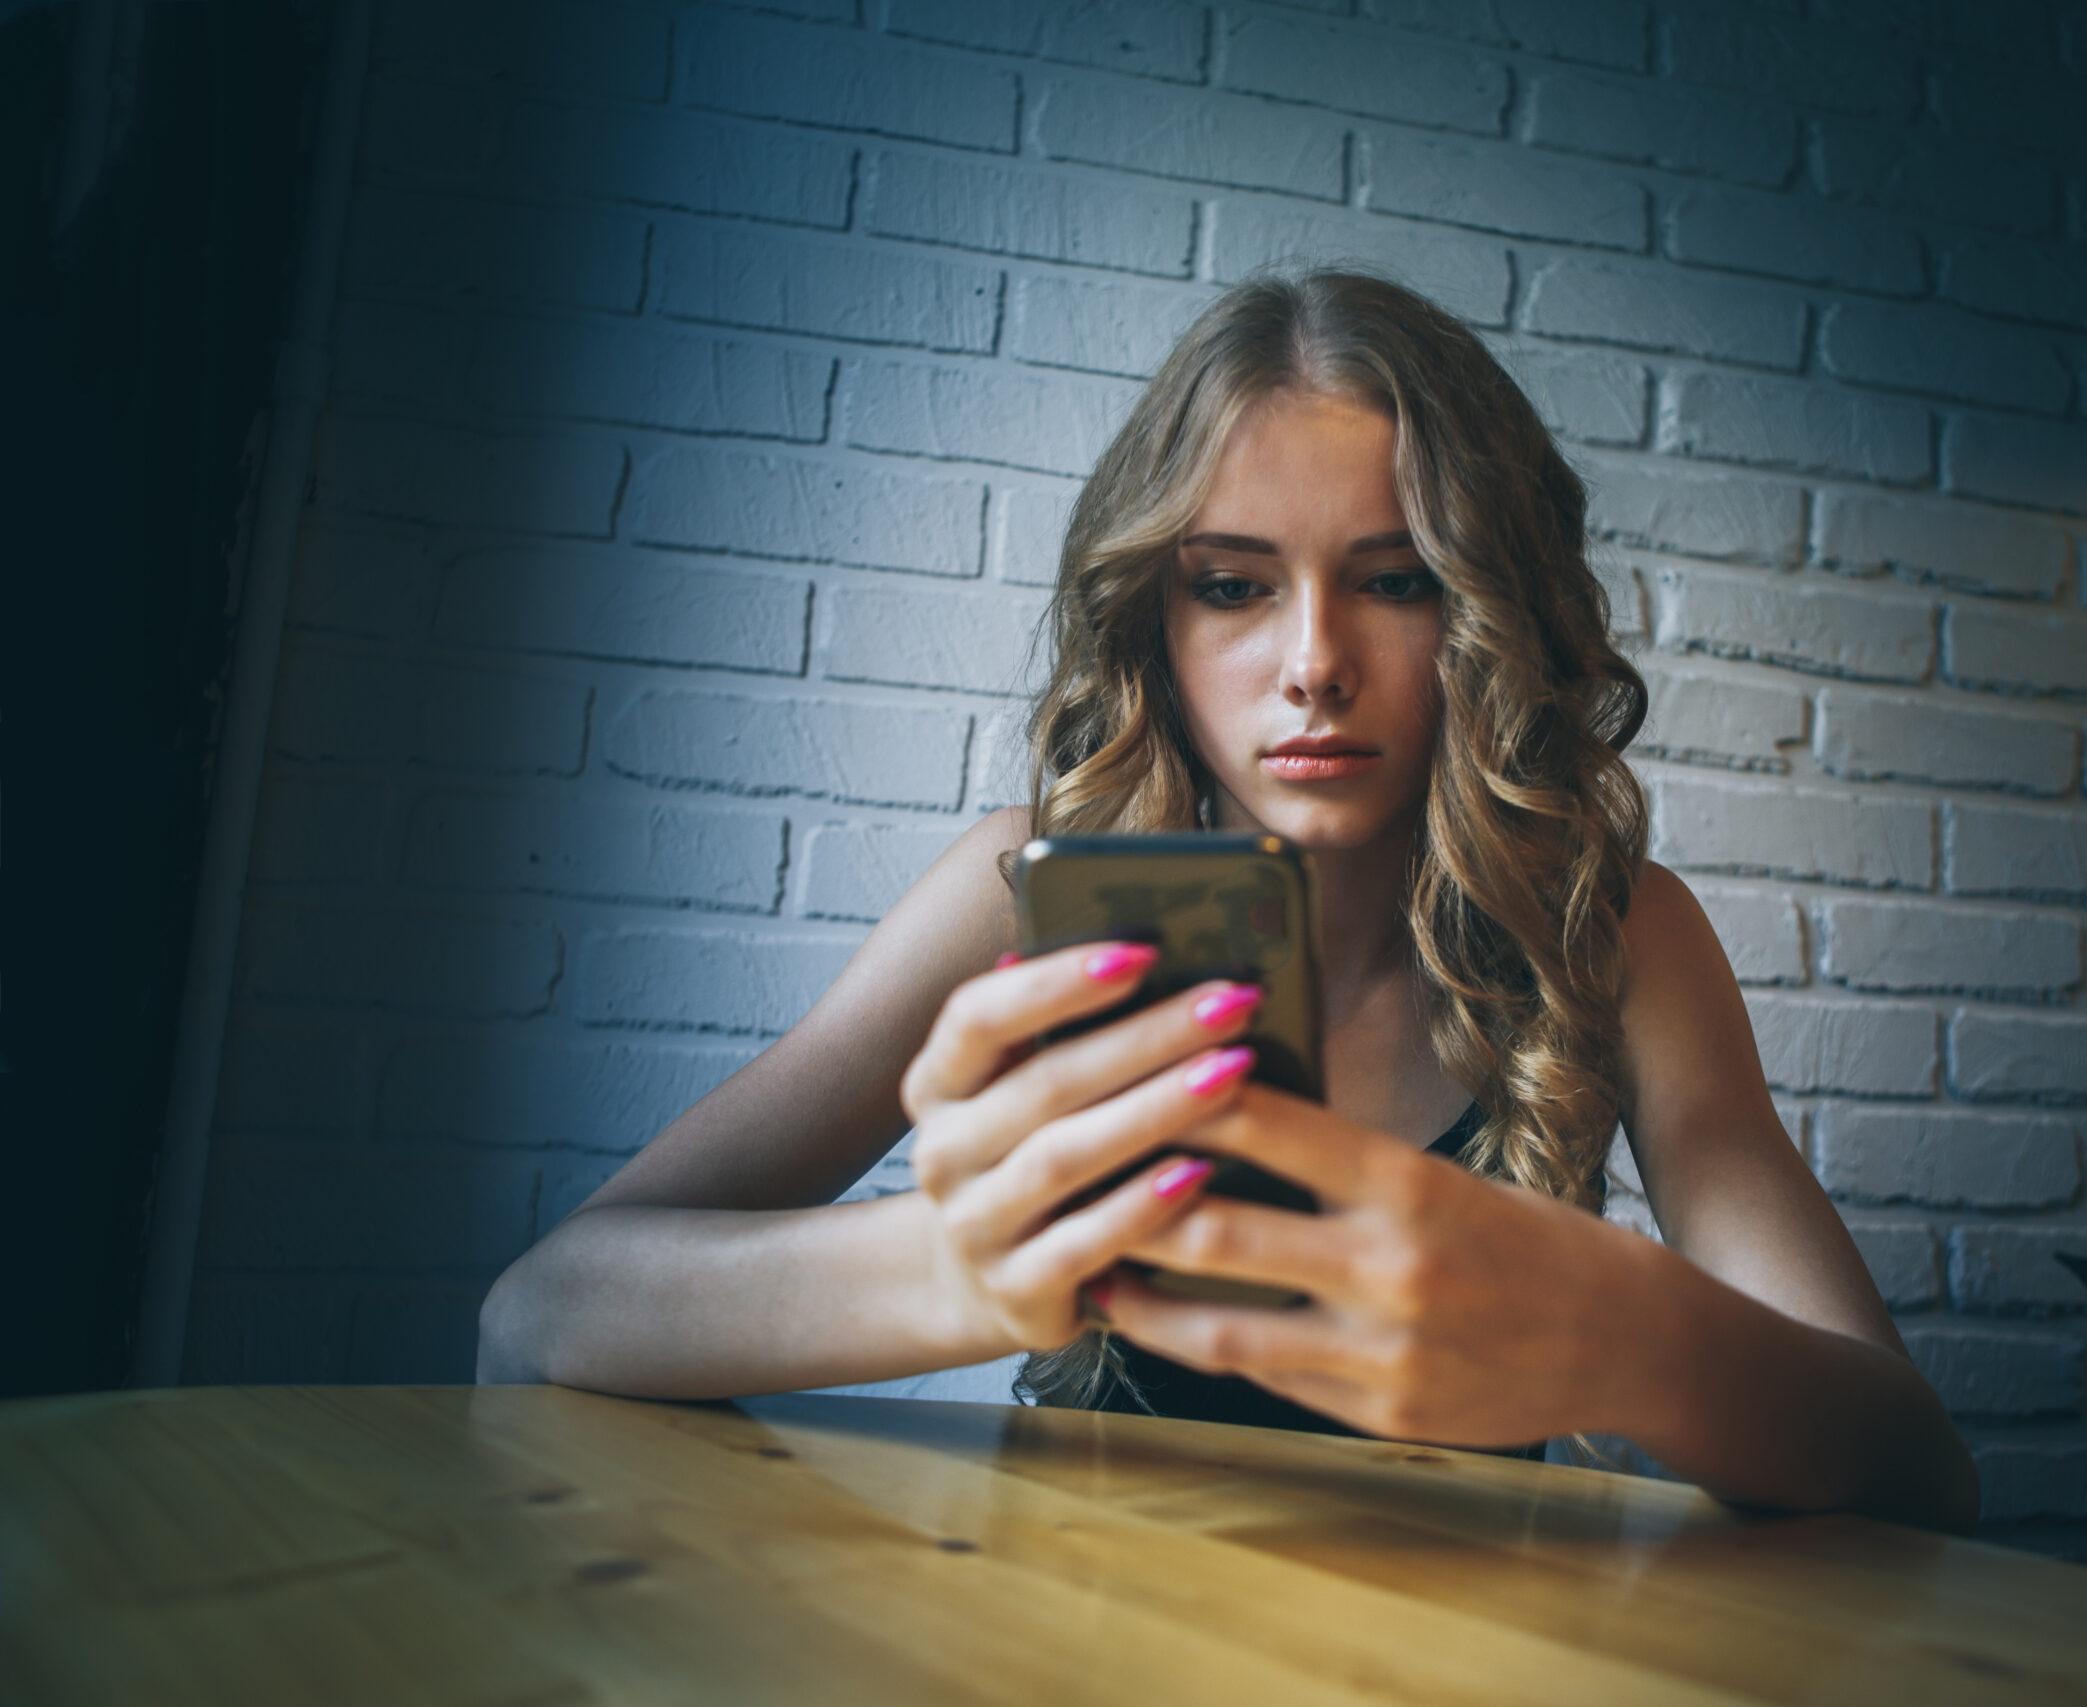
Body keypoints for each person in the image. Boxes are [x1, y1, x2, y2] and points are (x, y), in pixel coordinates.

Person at [476, 267, 1980, 1534]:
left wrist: (1632, 1335)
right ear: (1156, 618)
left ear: (1491, 614)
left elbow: (1917, 1472)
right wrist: (982, 1264)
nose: (1314, 660)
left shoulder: (1615, 936)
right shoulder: (1017, 898)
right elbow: (542, 1317)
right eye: (1235, 584)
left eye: (1397, 581)